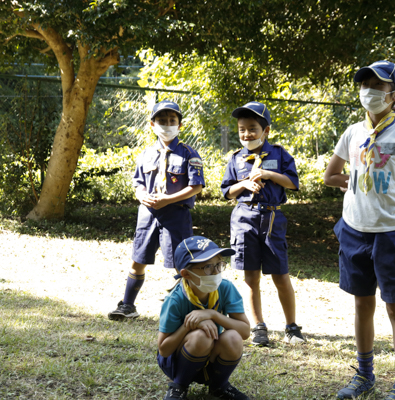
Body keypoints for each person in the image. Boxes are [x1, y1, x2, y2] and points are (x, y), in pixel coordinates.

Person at [323, 60, 395, 400]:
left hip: (391, 233)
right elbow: (330, 176)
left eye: (377, 86)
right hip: (353, 230)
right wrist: (355, 184)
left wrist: (388, 194)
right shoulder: (352, 132)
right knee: (362, 305)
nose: (369, 91)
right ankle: (364, 376)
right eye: (364, 84)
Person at [108, 100, 205, 321]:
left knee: (181, 263)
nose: (167, 125)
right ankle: (127, 305)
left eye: (172, 121)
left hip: (176, 214)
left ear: (180, 125)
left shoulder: (190, 153)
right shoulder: (146, 153)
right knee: (138, 259)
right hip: (148, 214)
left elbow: (196, 187)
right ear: (152, 124)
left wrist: (168, 199)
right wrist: (141, 195)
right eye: (161, 121)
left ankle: (187, 308)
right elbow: (138, 183)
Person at [220, 101, 306, 346]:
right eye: (241, 129)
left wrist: (268, 174)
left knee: (281, 274)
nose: (246, 134)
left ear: (266, 130)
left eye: (252, 128)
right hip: (243, 218)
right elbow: (226, 191)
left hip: (272, 219)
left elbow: (293, 183)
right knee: (250, 276)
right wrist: (244, 184)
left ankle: (291, 327)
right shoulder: (236, 159)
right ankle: (258, 327)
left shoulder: (279, 154)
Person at [157, 235, 251, 400]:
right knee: (201, 336)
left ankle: (219, 386)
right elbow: (164, 350)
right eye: (208, 267)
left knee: (234, 337)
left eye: (219, 264)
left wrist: (213, 315)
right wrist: (189, 325)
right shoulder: (175, 299)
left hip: (210, 358)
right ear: (186, 274)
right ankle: (179, 386)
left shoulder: (225, 288)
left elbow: (244, 331)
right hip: (178, 362)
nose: (215, 272)